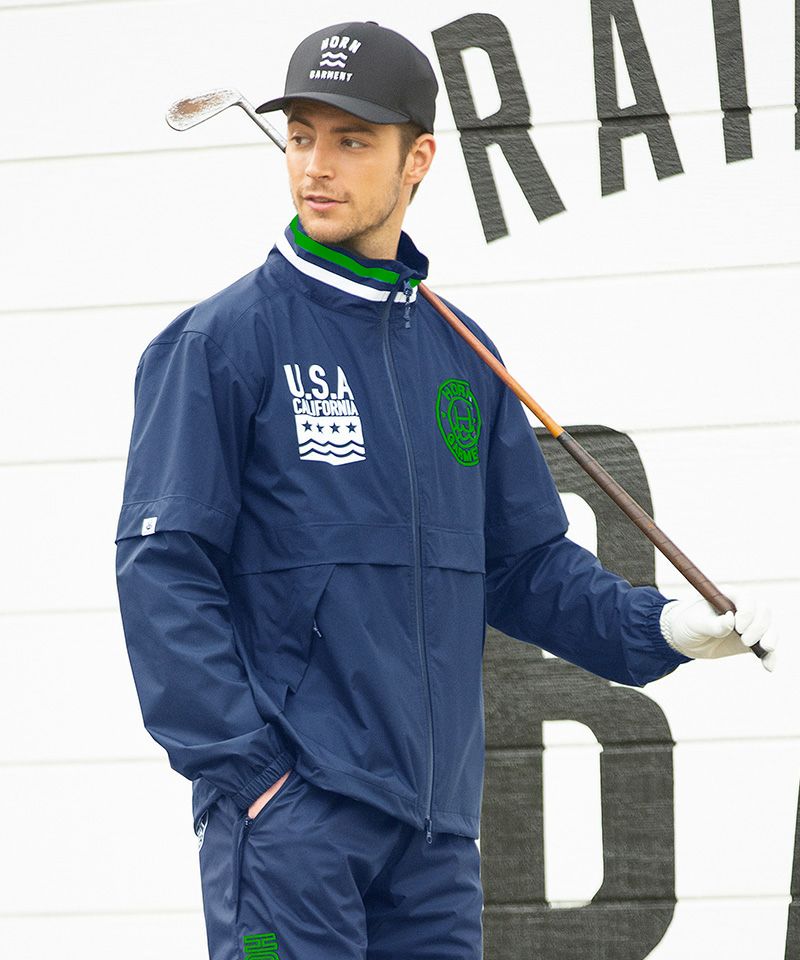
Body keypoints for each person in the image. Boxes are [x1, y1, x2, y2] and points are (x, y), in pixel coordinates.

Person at [114, 20, 778, 960]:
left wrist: (661, 628)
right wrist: (253, 780)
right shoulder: (218, 344)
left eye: (352, 141)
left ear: (417, 158)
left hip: (435, 839)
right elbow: (162, 575)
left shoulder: (462, 356)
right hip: (293, 823)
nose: (316, 167)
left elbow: (525, 568)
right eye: (302, 136)